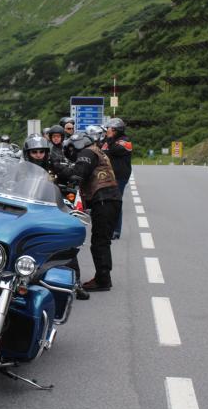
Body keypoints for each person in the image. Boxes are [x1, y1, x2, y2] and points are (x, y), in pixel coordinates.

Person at [22, 134, 89, 300]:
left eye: (41, 152)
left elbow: (68, 174)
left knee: (65, 243)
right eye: (34, 152)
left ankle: (76, 282)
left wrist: (74, 177)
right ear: (27, 153)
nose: (38, 155)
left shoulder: (53, 165)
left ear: (46, 152)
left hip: (49, 209)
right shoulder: (21, 169)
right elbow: (8, 183)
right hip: (26, 210)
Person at [63, 132, 122, 291]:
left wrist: (60, 170)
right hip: (110, 199)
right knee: (102, 241)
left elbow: (78, 173)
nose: (72, 155)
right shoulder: (97, 151)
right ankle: (103, 277)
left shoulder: (87, 153)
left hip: (104, 199)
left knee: (100, 242)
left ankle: (103, 280)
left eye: (71, 150)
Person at [102, 118, 132, 240]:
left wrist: (109, 138)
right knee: (106, 202)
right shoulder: (108, 141)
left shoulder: (125, 142)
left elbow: (115, 150)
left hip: (120, 176)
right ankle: (107, 227)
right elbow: (101, 151)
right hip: (107, 175)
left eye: (110, 129)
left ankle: (116, 230)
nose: (107, 131)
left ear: (116, 130)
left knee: (115, 201)